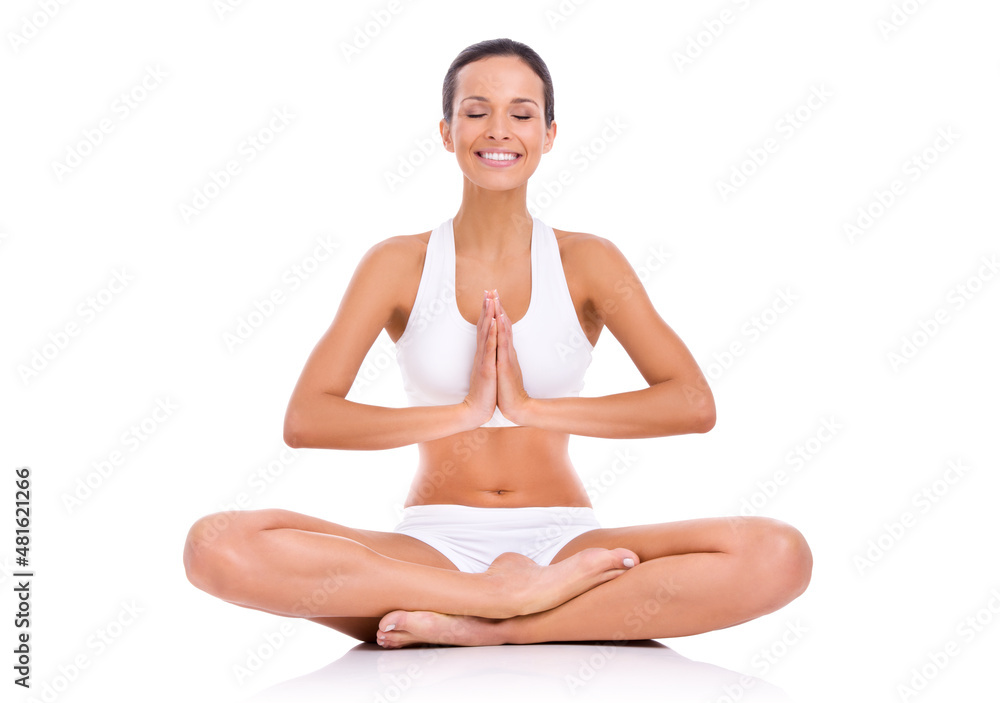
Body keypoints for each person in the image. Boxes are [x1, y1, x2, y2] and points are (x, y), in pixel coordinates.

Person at [183, 37, 812, 649]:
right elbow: (307, 418)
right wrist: (462, 413)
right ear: (446, 131)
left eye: (522, 113)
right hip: (430, 546)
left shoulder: (587, 260)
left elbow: (692, 403)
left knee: (778, 554)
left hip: (565, 544)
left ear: (550, 134)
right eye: (476, 111)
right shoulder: (397, 264)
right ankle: (495, 601)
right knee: (216, 545)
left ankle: (499, 626)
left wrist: (531, 410)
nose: (498, 130)